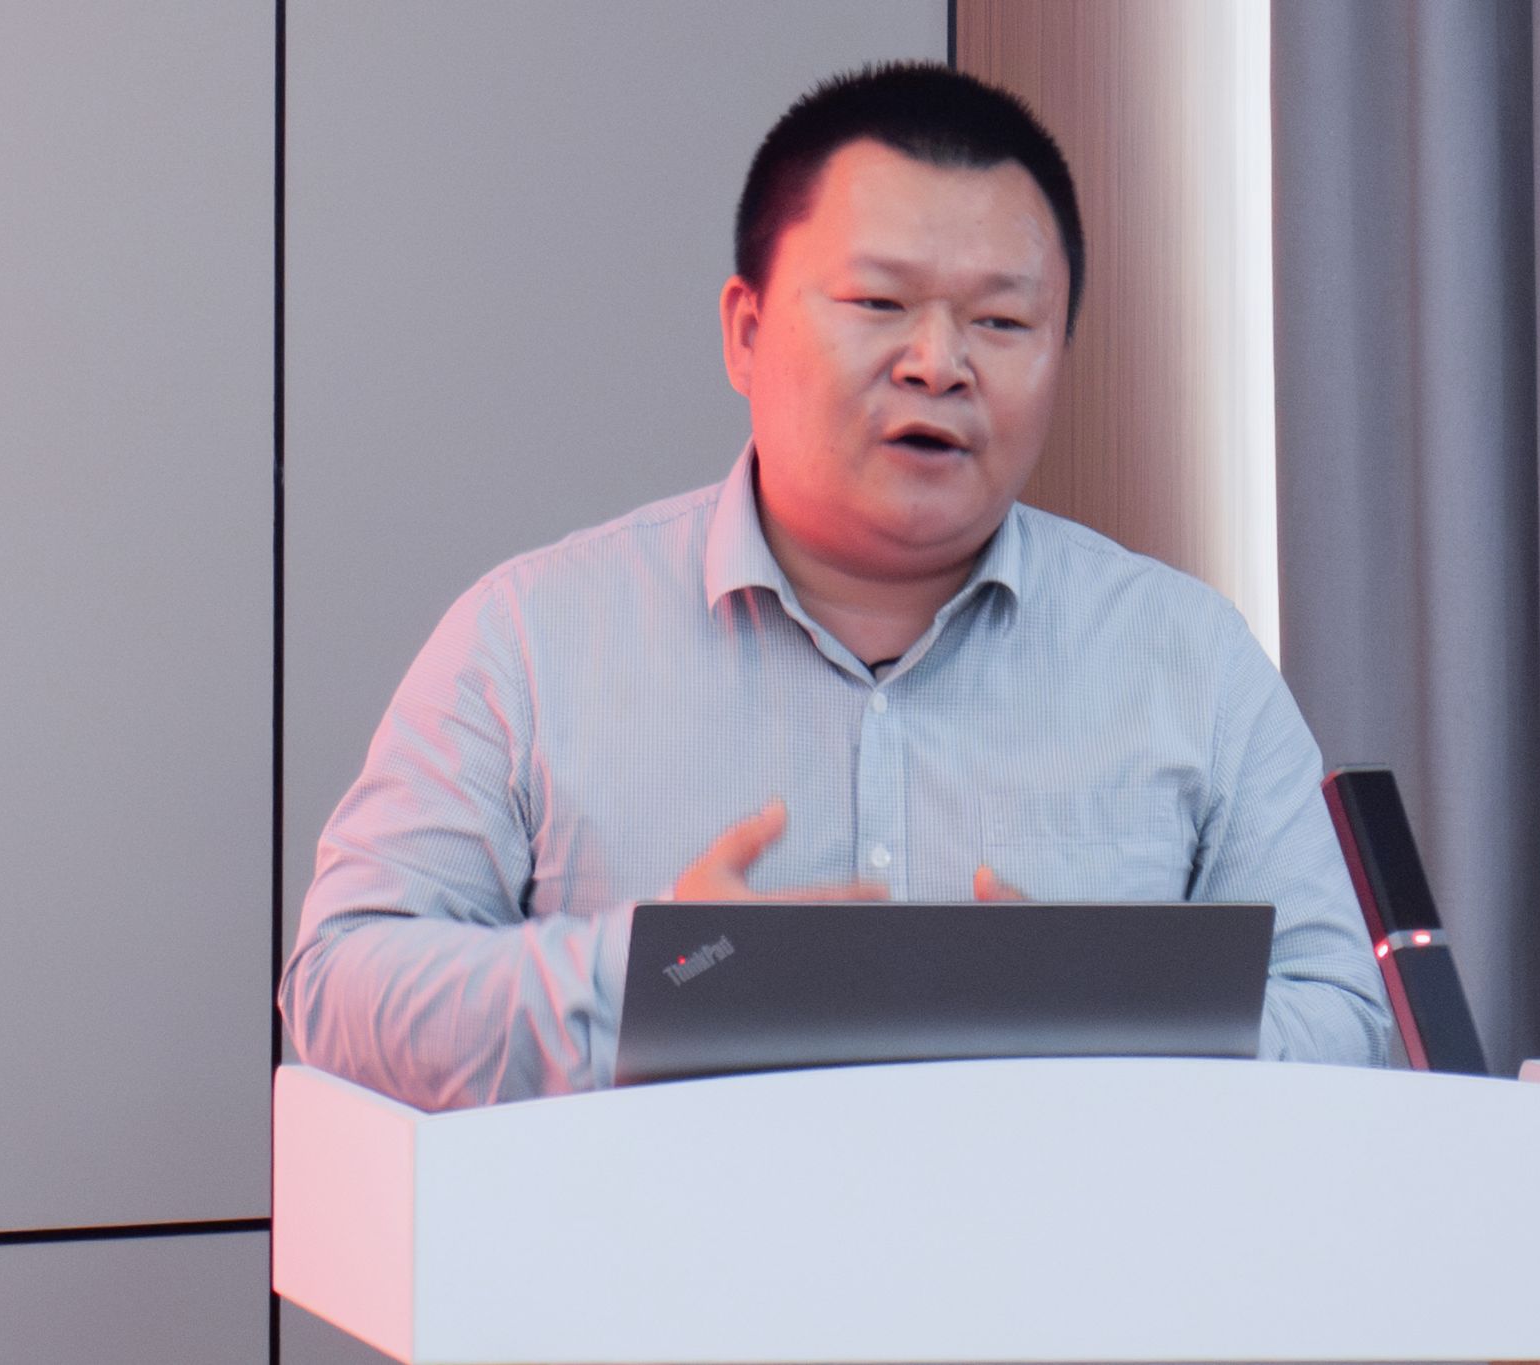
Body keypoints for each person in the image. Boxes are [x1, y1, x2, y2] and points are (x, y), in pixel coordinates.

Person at [278, 63, 1389, 1111]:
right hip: (659, 1257)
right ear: (746, 332)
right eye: (878, 303)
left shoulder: (1188, 657)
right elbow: (337, 991)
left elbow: (1350, 1018)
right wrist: (654, 975)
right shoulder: (529, 639)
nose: (937, 363)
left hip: (1058, 1254)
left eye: (1001, 322)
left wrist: (1102, 1012)